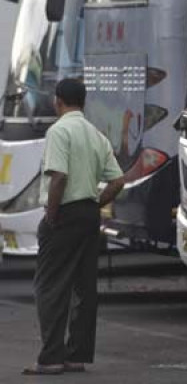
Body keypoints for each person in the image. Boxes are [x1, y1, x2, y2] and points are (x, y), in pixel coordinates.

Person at [23, 78, 125, 375]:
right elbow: (118, 181)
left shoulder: (59, 131)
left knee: (50, 287)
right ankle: (76, 355)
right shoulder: (95, 135)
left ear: (58, 101)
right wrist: (95, 205)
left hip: (64, 215)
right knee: (83, 287)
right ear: (83, 102)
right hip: (88, 215)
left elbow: (58, 177)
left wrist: (51, 216)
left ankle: (51, 357)